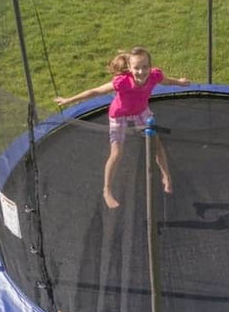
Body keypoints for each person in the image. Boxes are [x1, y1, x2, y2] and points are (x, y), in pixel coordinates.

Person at [54, 47, 190, 209]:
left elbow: (166, 81)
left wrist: (180, 83)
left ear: (150, 65)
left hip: (141, 111)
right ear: (130, 69)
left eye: (145, 67)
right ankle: (107, 190)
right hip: (119, 114)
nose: (141, 72)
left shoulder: (155, 75)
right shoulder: (122, 82)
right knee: (116, 153)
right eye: (137, 68)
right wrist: (69, 100)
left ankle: (166, 176)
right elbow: (95, 91)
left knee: (157, 145)